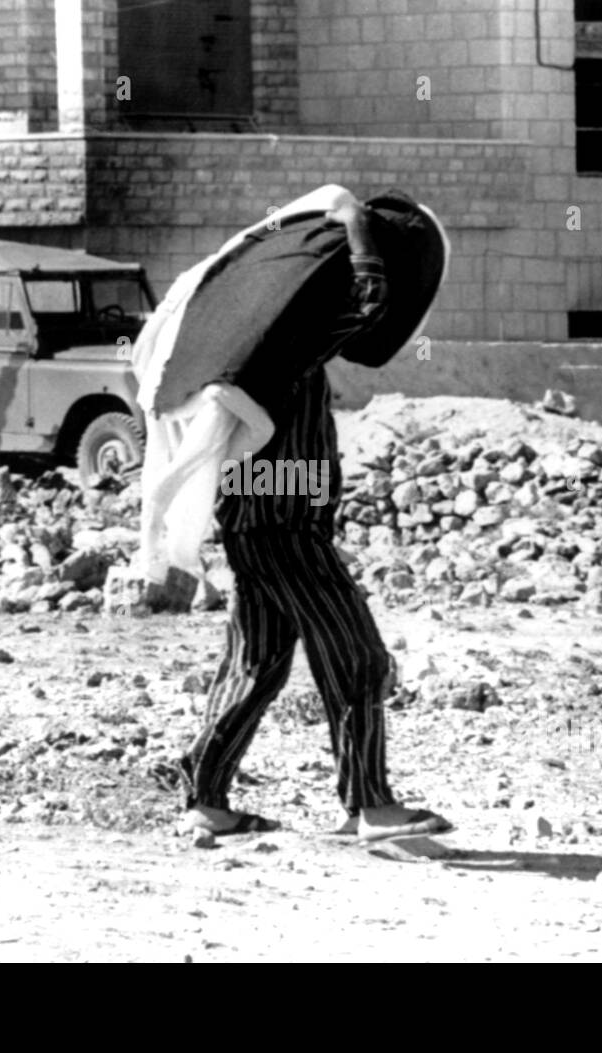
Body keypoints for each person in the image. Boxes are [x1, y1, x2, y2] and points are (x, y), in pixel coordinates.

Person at [179, 197, 453, 842]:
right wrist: (356, 222)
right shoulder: (291, 343)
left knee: (257, 662)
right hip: (284, 524)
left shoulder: (254, 350)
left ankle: (206, 799)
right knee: (355, 653)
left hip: (253, 520)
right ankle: (371, 805)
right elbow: (372, 300)